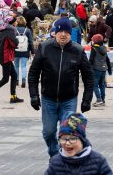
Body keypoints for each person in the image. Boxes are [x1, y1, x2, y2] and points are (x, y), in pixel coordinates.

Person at [28, 17, 94, 157]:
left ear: (71, 33)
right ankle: (55, 155)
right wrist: (34, 95)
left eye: (66, 32)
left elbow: (88, 76)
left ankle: (63, 160)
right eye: (60, 31)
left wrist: (87, 99)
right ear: (55, 32)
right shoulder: (45, 47)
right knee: (49, 132)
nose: (63, 34)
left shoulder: (78, 50)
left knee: (67, 134)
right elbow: (33, 73)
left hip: (68, 99)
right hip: (48, 98)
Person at [45, 112, 113, 175]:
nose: (67, 143)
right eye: (63, 139)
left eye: (72, 138)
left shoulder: (98, 161)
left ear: (82, 140)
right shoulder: (55, 163)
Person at [12, 16, 34, 89]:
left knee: (16, 66)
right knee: (24, 66)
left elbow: (12, 40)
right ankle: (24, 80)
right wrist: (32, 51)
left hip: (16, 50)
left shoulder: (14, 30)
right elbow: (30, 42)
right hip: (25, 50)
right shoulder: (27, 31)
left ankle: (16, 80)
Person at [88, 34, 109, 107]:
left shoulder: (94, 48)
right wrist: (109, 69)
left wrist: (88, 69)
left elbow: (91, 60)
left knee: (94, 85)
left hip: (96, 69)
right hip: (103, 69)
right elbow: (107, 59)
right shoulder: (104, 48)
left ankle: (99, 100)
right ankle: (103, 100)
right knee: (102, 85)